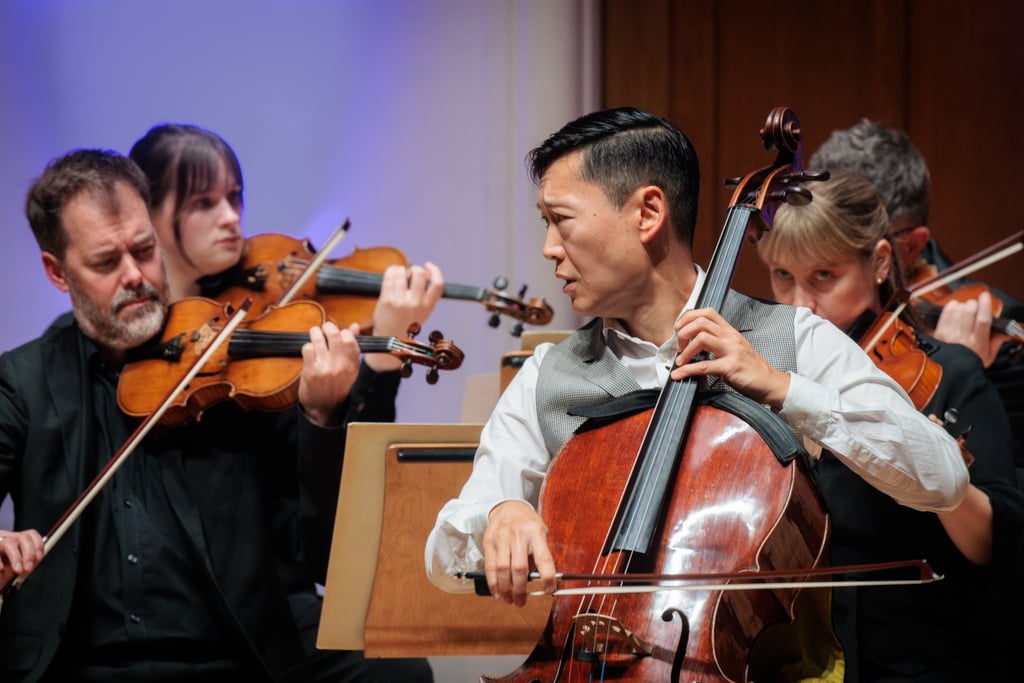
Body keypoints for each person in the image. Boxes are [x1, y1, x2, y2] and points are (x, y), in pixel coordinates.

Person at [423, 107, 969, 679]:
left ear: (648, 213)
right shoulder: (547, 375)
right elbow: (441, 557)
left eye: (561, 220)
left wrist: (783, 388)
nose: (548, 248)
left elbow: (944, 480)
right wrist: (502, 512)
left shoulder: (794, 341)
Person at [0, 148, 386, 682]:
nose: (135, 276)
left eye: (144, 249)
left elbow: (320, 555)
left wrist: (323, 417)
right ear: (57, 273)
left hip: (227, 659)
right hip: (78, 667)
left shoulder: (234, 370)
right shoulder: (23, 383)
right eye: (106, 263)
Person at [127, 123, 440, 682]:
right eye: (204, 202)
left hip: (266, 599)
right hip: (165, 607)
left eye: (235, 196)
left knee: (400, 671)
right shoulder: (128, 343)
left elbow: (323, 528)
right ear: (148, 212)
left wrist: (364, 377)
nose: (231, 217)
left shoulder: (256, 331)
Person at [760, 171, 1024, 681]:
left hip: (908, 654)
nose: (799, 307)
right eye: (781, 276)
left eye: (822, 277)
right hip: (790, 650)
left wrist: (936, 465)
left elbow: (994, 542)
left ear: (880, 262)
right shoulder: (763, 376)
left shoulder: (948, 375)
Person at [808, 119, 1024, 485]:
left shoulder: (996, 333)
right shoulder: (807, 310)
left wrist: (963, 379)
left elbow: (1005, 499)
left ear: (910, 245)